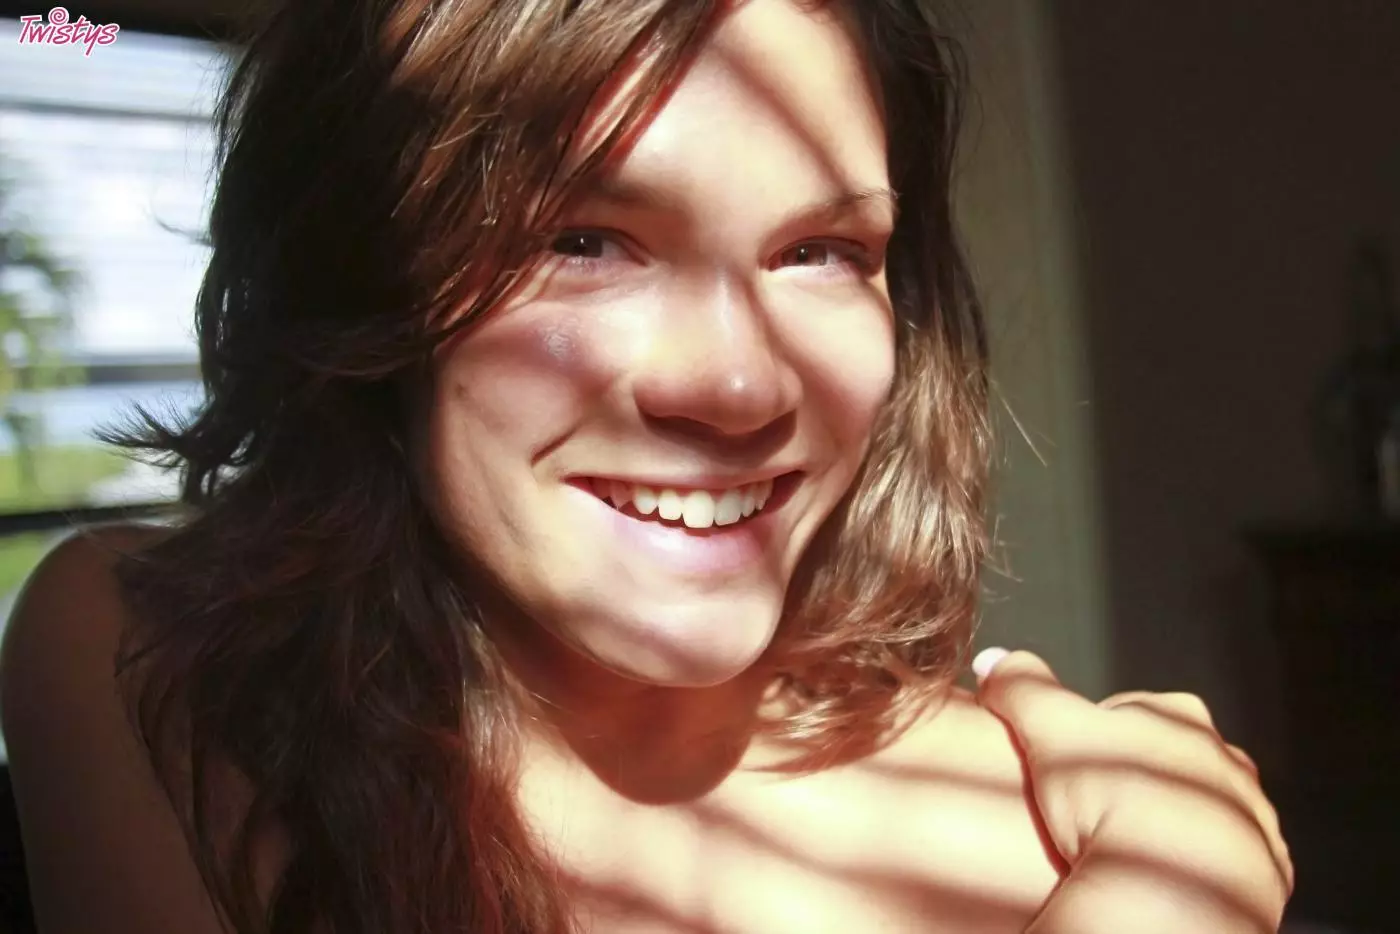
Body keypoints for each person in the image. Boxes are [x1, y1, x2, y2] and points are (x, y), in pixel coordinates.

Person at [0, 1, 1291, 932]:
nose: (739, 386)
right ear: (368, 281)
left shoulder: (1018, 818)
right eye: (584, 238)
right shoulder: (155, 661)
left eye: (821, 252)